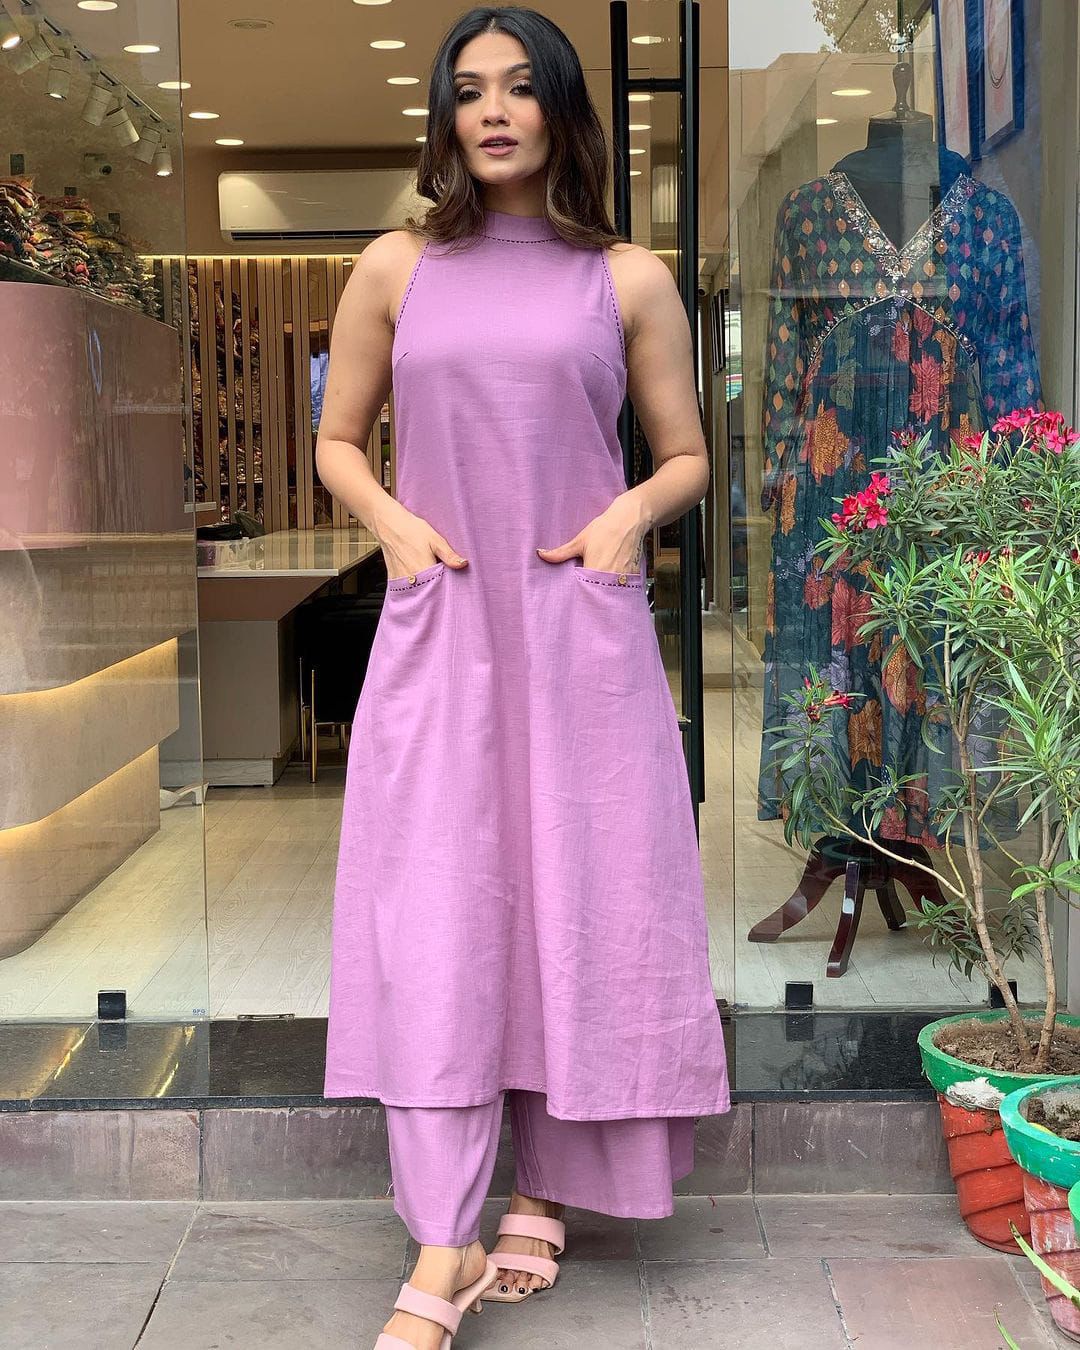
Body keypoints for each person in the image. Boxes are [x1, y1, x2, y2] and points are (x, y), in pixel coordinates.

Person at [315, 7, 730, 1347]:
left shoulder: (627, 279)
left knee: (577, 889)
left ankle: (544, 1180)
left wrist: (626, 522)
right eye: (466, 91)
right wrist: (390, 526)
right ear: (443, 117)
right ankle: (444, 1239)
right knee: (439, 901)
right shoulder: (393, 267)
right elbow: (338, 438)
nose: (490, 110)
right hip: (445, 623)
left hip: (575, 625)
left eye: (517, 89)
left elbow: (685, 455)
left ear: (560, 108)